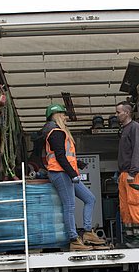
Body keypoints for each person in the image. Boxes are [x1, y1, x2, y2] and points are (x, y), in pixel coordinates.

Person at [43, 104, 106, 251]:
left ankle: (88, 232)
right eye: (63, 115)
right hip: (60, 173)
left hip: (66, 172)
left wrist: (78, 164)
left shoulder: (59, 132)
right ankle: (74, 240)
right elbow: (59, 156)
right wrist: (72, 174)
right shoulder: (56, 132)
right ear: (56, 115)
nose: (66, 118)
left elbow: (63, 155)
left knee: (90, 198)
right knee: (69, 206)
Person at [115, 101, 139, 248]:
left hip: (133, 174)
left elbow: (138, 151)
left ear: (127, 113)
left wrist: (133, 171)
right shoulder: (125, 129)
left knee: (136, 205)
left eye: (118, 112)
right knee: (125, 207)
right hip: (124, 173)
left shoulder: (135, 128)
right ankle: (130, 238)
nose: (116, 115)